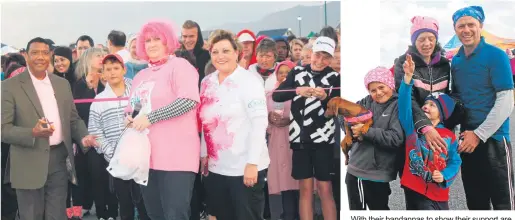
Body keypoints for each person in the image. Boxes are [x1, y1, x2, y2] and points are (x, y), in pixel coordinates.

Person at [1, 37, 98, 220]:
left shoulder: (62, 85)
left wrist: (83, 136)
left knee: (57, 215)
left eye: (45, 53)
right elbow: (3, 129)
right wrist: (33, 133)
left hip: (59, 160)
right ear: (26, 56)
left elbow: (73, 119)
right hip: (27, 161)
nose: (40, 57)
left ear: (50, 56)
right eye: (35, 53)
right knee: (31, 215)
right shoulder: (9, 86)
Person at [125, 19, 200, 220]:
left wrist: (152, 117)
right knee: (154, 214)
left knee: (175, 214)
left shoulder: (180, 66)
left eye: (157, 38)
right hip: (147, 159)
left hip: (177, 159)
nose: (152, 44)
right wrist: (129, 118)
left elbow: (188, 101)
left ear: (167, 41)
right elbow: (134, 108)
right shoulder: (141, 76)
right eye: (147, 40)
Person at [199, 29, 270, 220]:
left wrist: (252, 163)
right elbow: (206, 122)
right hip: (216, 168)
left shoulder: (249, 81)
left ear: (237, 52)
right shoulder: (207, 82)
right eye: (215, 52)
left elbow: (259, 123)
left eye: (226, 51)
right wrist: (203, 153)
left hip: (245, 168)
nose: (220, 56)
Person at [450, 6, 515, 210]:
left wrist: (478, 134)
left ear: (481, 26)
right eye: (461, 26)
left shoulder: (496, 55)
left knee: (504, 204)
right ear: (455, 29)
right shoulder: (456, 61)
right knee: (476, 204)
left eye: (471, 24)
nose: (466, 30)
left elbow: (506, 100)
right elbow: (459, 100)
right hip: (467, 141)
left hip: (494, 139)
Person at [272, 36, 340, 220]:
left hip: (323, 140)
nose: (320, 60)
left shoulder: (335, 77)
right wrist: (297, 91)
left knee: (325, 188)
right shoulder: (297, 72)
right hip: (300, 140)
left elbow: (338, 108)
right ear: (311, 53)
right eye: (318, 55)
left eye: (326, 57)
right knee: (305, 188)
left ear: (331, 59)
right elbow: (277, 96)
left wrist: (325, 97)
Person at [88, 54, 150, 220]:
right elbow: (95, 131)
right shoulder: (99, 100)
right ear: (103, 74)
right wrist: (110, 153)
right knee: (125, 205)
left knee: (145, 204)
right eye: (108, 69)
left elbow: (148, 114)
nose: (113, 72)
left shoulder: (137, 92)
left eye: (116, 68)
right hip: (117, 161)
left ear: (124, 69)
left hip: (141, 158)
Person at [399, 54, 462, 210]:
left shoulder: (450, 136)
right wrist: (407, 79)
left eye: (432, 105)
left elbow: (455, 161)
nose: (426, 106)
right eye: (425, 104)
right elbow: (404, 106)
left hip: (439, 193)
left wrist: (444, 176)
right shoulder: (413, 128)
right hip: (414, 190)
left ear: (441, 114)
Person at [393, 16, 450, 180]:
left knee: (437, 177)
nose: (427, 44)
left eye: (431, 38)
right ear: (414, 41)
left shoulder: (445, 64)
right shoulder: (403, 63)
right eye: (421, 39)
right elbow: (405, 99)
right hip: (412, 129)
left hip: (438, 130)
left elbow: (448, 98)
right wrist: (425, 127)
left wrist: (448, 129)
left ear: (436, 39)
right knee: (415, 178)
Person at [345, 67, 404, 210]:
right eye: (373, 90)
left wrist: (365, 131)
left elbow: (396, 138)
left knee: (380, 209)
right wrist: (352, 128)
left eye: (381, 87)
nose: (378, 93)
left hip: (379, 172)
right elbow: (343, 116)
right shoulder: (366, 102)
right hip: (359, 169)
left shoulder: (397, 105)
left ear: (390, 84)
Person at [75, 47, 120, 220]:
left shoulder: (109, 81)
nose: (102, 58)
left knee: (112, 177)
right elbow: (81, 111)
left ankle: (113, 213)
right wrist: (88, 86)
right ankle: (101, 213)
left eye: (103, 55)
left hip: (111, 137)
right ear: (87, 59)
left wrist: (101, 84)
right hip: (90, 139)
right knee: (96, 178)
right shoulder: (79, 83)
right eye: (98, 56)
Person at [266, 60, 299, 220]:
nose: (284, 76)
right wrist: (269, 118)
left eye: (288, 72)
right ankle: (287, 215)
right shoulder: (270, 94)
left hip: (295, 141)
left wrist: (291, 120)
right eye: (281, 72)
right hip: (278, 142)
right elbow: (262, 119)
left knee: (299, 183)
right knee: (285, 183)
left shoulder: (300, 92)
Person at [177, 20, 211, 89]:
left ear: (198, 37)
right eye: (185, 36)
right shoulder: (177, 57)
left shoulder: (208, 56)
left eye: (191, 36)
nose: (188, 40)